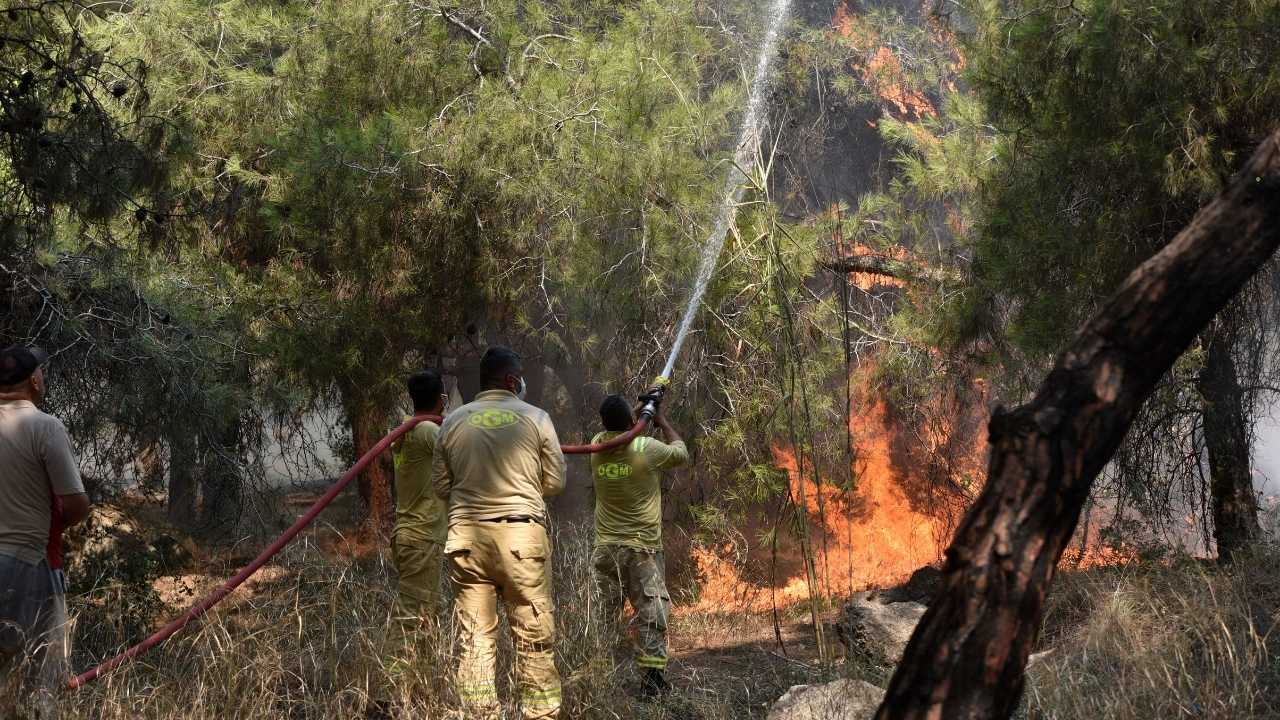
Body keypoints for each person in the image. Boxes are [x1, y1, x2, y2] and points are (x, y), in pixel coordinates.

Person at [432, 347, 566, 720]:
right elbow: (555, 482)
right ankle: (540, 714)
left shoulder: (453, 422)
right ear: (511, 380)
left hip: (466, 543)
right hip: (521, 541)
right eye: (520, 376)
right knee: (533, 637)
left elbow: (441, 487)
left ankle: (479, 713)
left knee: (474, 640)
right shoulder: (536, 418)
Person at [0, 345, 91, 717]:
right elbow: (77, 505)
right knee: (38, 681)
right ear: (34, 381)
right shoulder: (44, 426)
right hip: (28, 564)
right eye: (41, 371)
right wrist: (52, 524)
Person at [589, 392, 689, 697]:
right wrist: (661, 419)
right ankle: (652, 682)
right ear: (630, 421)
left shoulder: (597, 445)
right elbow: (681, 452)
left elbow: (622, 426)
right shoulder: (647, 449)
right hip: (641, 551)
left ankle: (598, 681)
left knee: (604, 617)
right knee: (651, 614)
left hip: (606, 549)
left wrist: (638, 413)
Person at [385, 370, 449, 675]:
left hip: (411, 536)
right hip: (422, 538)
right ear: (440, 399)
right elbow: (458, 454)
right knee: (410, 620)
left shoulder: (406, 431)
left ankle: (422, 687)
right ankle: (392, 691)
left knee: (429, 614)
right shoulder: (426, 431)